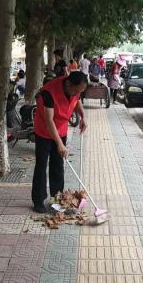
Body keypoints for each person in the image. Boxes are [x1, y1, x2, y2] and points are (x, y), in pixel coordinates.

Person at [31, 71, 88, 213]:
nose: (77, 93)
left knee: (58, 164)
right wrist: (60, 144)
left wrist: (83, 116)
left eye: (80, 91)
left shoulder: (75, 89)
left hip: (61, 129)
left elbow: (77, 100)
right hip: (44, 130)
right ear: (69, 84)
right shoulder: (49, 92)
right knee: (41, 165)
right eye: (76, 90)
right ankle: (39, 200)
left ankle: (57, 198)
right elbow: (49, 120)